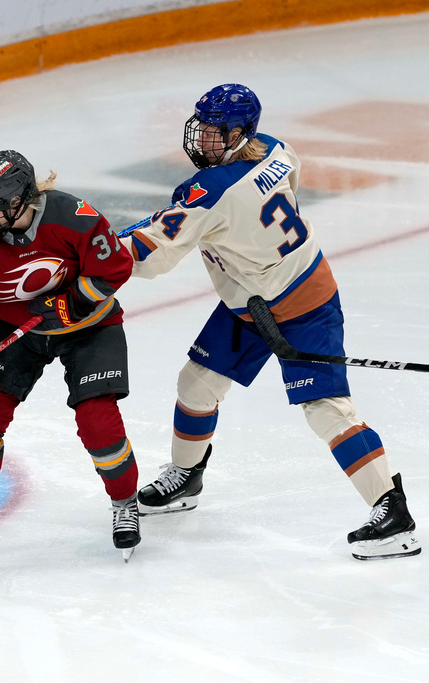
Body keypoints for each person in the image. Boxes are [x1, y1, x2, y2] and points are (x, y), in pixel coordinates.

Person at [121, 83, 420, 560]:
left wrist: (95, 247)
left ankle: (394, 515)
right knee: (196, 384)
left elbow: (150, 256)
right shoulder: (278, 151)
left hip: (302, 306)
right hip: (251, 298)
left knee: (327, 410)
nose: (201, 140)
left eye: (214, 132)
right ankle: (186, 478)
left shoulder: (211, 191)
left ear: (240, 134)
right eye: (200, 127)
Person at [0, 150, 141, 562]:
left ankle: (125, 504)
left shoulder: (73, 216)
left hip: (91, 327)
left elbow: (115, 267)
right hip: (19, 330)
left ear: (21, 199)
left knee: (97, 422)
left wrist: (69, 304)